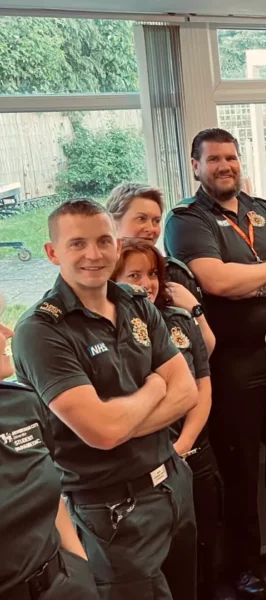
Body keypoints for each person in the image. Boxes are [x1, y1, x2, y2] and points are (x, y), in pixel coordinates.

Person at [164, 128, 266, 599]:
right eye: (213, 159)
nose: (224, 166)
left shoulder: (265, 211)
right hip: (235, 361)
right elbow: (214, 281)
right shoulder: (186, 220)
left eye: (230, 157)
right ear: (196, 166)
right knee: (239, 469)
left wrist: (250, 281)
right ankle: (242, 564)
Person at [12, 199, 199, 599]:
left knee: (187, 589)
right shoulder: (41, 330)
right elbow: (102, 432)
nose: (93, 254)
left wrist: (121, 420)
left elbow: (186, 392)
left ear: (116, 244)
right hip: (115, 509)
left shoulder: (134, 302)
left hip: (173, 484)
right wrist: (152, 388)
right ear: (52, 252)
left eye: (102, 241)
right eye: (77, 244)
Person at [111, 238, 222, 600]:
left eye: (153, 274)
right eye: (134, 275)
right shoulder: (109, 333)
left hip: (193, 452)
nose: (147, 283)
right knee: (155, 563)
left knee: (203, 541)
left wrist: (185, 444)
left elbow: (201, 387)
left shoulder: (177, 319)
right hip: (145, 464)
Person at [0, 321, 99, 600]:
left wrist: (80, 566)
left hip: (62, 583)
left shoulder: (22, 403)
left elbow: (47, 488)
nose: (9, 332)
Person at [108, 183, 203, 300]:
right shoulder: (98, 272)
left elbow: (198, 317)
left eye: (156, 221)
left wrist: (193, 309)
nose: (150, 229)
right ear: (113, 222)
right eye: (141, 219)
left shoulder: (174, 273)